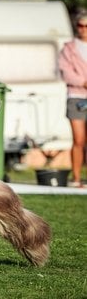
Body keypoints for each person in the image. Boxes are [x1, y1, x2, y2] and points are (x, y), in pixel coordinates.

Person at [58, 12, 87, 188]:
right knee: (79, 140)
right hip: (76, 97)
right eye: (80, 25)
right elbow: (65, 72)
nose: (83, 29)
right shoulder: (68, 48)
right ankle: (76, 179)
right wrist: (83, 82)